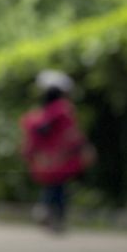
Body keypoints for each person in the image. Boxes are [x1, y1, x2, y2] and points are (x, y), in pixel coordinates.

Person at [20, 69, 95, 234]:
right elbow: (71, 134)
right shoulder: (64, 110)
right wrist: (84, 147)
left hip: (44, 160)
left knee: (50, 187)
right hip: (61, 158)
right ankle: (57, 218)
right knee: (59, 188)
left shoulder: (36, 116)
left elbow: (30, 142)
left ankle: (45, 210)